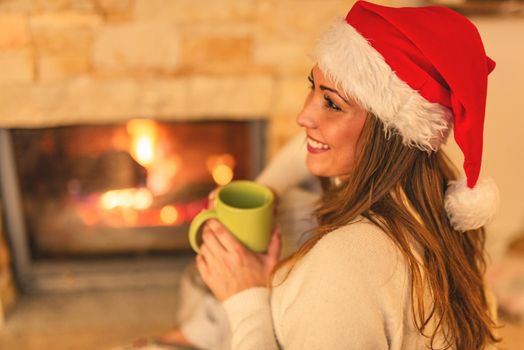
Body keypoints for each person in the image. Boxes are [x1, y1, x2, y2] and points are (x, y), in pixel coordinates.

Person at [194, 1, 500, 349]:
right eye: (313, 87)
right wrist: (266, 191)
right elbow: (306, 146)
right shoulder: (435, 206)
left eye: (332, 104)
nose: (303, 116)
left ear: (389, 133)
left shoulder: (341, 266)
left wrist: (245, 299)